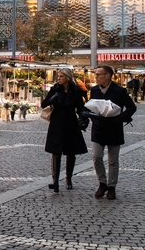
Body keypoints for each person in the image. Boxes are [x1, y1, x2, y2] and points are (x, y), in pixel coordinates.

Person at [86, 65, 137, 200]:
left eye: (98, 74)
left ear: (107, 75)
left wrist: (120, 118)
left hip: (114, 128)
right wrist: (90, 116)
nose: (95, 77)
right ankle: (102, 183)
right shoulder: (95, 90)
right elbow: (92, 106)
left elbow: (132, 107)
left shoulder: (119, 91)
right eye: (95, 74)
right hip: (98, 128)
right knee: (96, 156)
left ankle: (112, 187)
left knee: (113, 160)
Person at [41, 68, 88, 192]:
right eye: (58, 76)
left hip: (71, 122)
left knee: (70, 152)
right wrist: (52, 99)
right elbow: (43, 104)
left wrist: (83, 119)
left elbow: (80, 107)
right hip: (56, 122)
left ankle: (69, 178)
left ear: (68, 77)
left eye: (61, 76)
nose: (59, 78)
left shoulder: (76, 90)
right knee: (56, 152)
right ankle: (55, 180)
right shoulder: (55, 89)